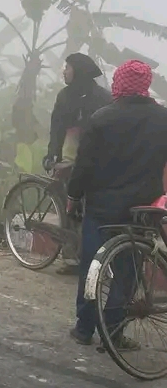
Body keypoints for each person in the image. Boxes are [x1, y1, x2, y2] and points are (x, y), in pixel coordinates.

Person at [67, 59, 167, 347]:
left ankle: (84, 328)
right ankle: (113, 332)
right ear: (145, 85)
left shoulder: (101, 117)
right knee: (127, 271)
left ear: (119, 83)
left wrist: (74, 197)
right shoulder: (162, 118)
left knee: (91, 264)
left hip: (102, 207)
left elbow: (83, 166)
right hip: (141, 210)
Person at [43, 53, 112, 273]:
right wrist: (52, 154)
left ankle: (89, 258)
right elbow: (57, 129)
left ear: (79, 71)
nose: (64, 71)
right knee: (68, 207)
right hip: (70, 156)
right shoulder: (64, 96)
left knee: (89, 209)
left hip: (94, 159)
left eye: (68, 67)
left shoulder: (102, 97)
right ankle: (71, 258)